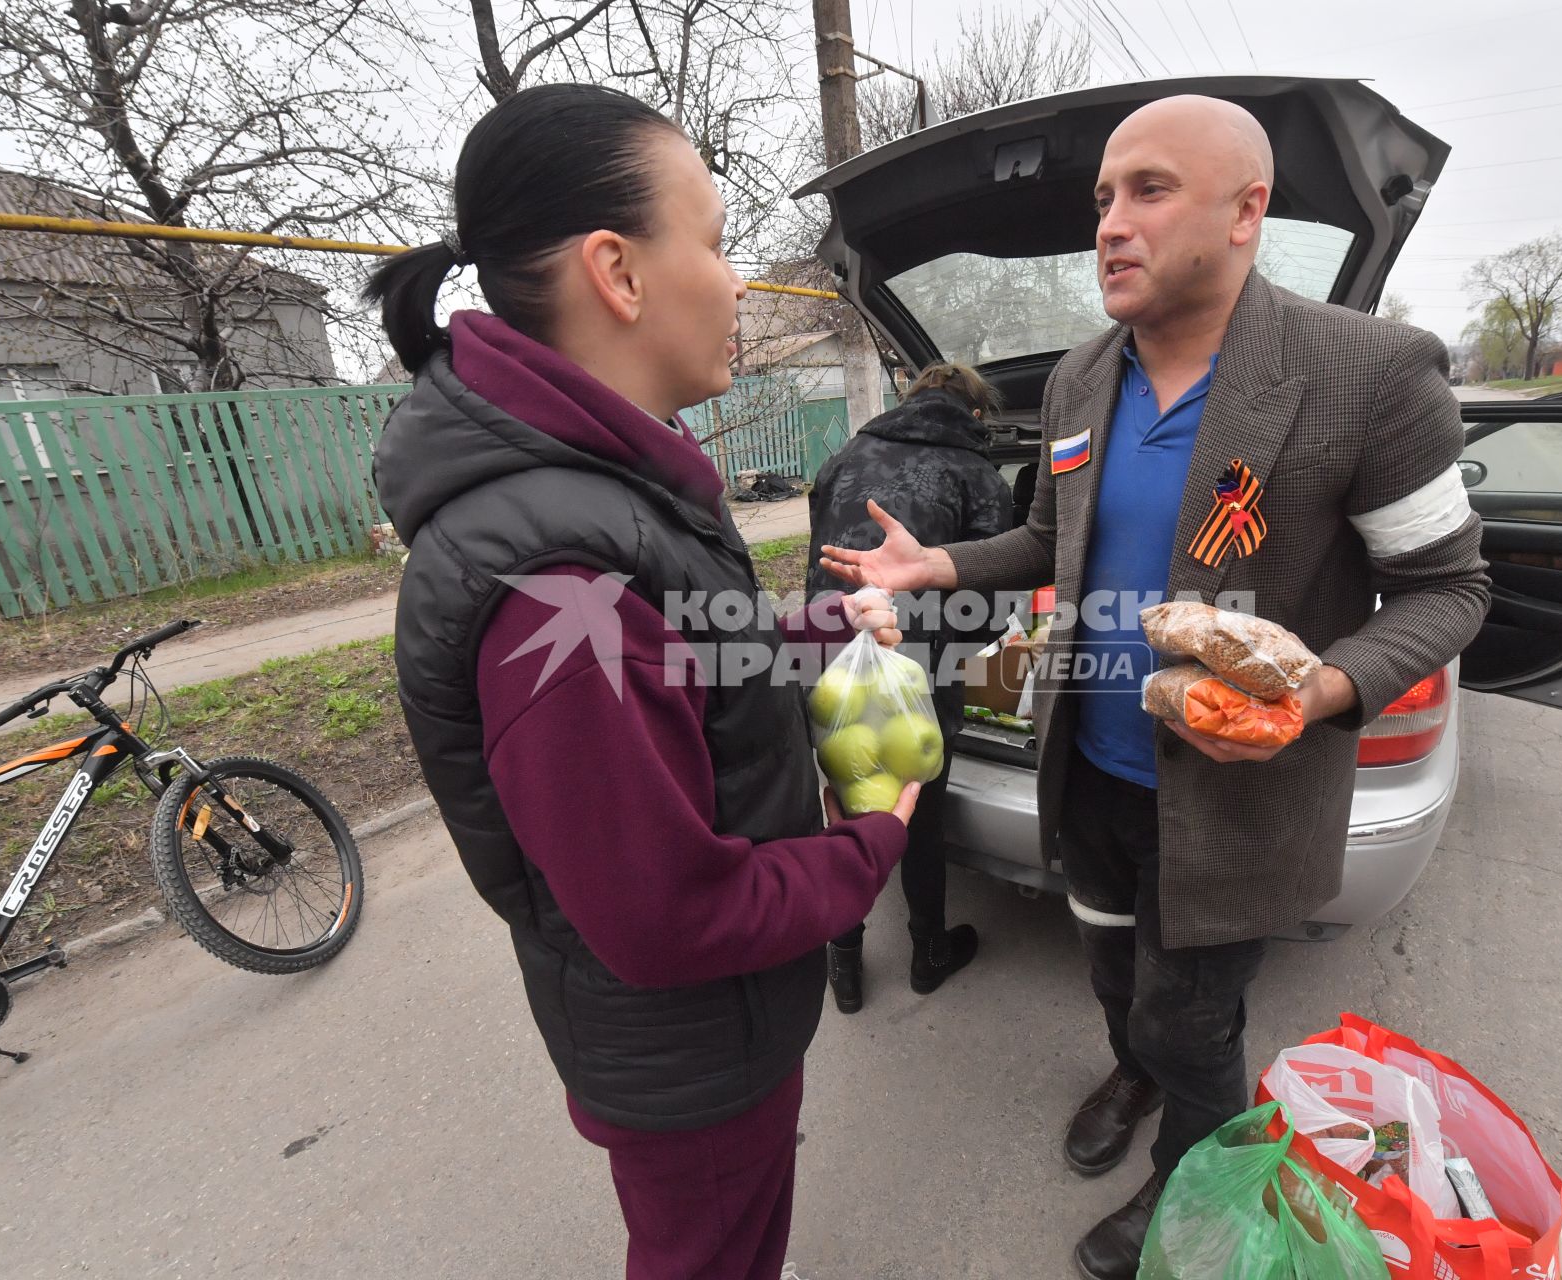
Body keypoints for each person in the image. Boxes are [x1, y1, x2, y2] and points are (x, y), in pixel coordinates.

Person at [819, 95, 1492, 1279]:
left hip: (1239, 792)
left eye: (1149, 190)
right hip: (1094, 775)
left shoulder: (1367, 373)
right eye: (1102, 200)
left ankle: (1192, 1176)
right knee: (1114, 971)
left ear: (1249, 211)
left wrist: (1321, 690)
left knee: (1195, 1014)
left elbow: (1451, 590)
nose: (1111, 224)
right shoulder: (1082, 379)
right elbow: (1045, 538)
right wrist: (937, 562)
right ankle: (1132, 1066)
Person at [367, 84, 921, 1280]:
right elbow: (670, 914)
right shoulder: (556, 562)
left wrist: (824, 627)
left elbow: (680, 647)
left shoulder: (600, 496)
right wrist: (873, 837)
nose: (736, 284)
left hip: (708, 1037)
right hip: (694, 1056)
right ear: (617, 272)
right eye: (715, 242)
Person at [803, 362, 1015, 1012]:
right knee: (917, 808)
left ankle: (843, 963)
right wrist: (950, 656)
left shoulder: (846, 454)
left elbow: (820, 550)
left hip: (827, 655)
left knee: (843, 801)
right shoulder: (978, 475)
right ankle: (928, 953)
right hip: (915, 665)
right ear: (974, 415)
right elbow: (995, 605)